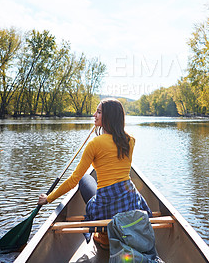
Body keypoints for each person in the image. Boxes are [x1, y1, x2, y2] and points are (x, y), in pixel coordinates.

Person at [38, 98, 152, 248]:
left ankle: (104, 235)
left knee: (84, 179)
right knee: (120, 187)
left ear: (109, 117)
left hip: (107, 206)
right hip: (129, 202)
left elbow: (73, 180)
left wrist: (48, 198)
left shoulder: (94, 144)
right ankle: (122, 229)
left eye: (98, 112)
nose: (94, 115)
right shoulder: (130, 141)